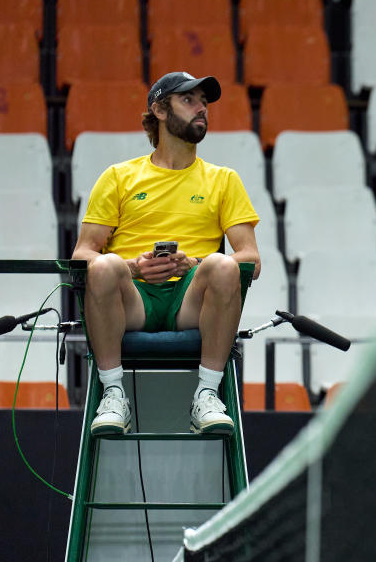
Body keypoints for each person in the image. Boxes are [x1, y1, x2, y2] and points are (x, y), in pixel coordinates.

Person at [72, 71, 261, 436]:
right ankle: (113, 394)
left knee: (223, 264)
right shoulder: (118, 177)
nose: (201, 109)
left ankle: (207, 394)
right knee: (105, 264)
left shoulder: (224, 180)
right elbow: (82, 255)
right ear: (159, 110)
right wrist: (133, 268)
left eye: (204, 102)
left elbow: (251, 261)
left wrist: (193, 263)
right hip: (132, 300)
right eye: (188, 100)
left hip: (190, 299)